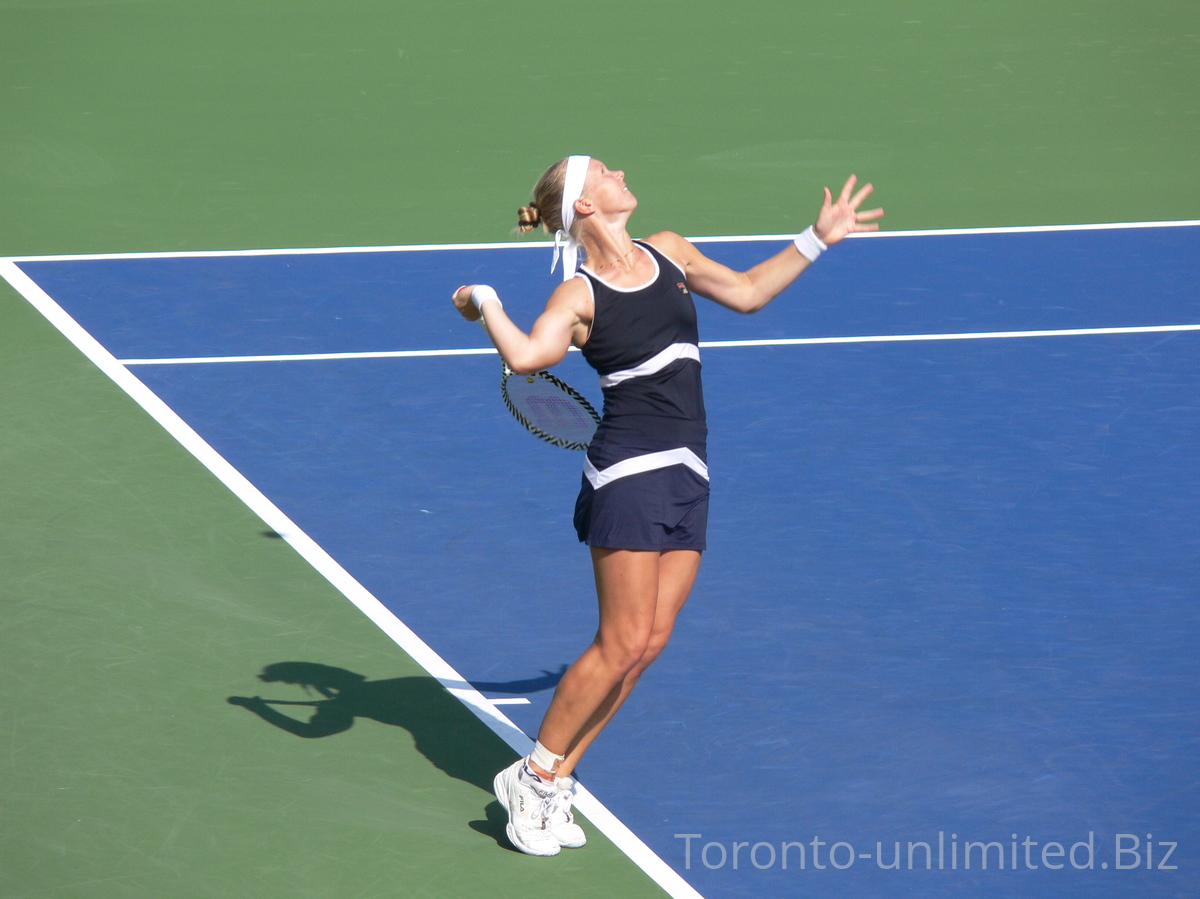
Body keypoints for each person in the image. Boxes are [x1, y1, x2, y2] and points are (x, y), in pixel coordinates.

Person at [452, 156, 881, 856]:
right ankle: (529, 775)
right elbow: (531, 357)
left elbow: (744, 293)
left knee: (647, 643)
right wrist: (489, 302)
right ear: (585, 207)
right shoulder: (578, 297)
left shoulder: (671, 251)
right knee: (620, 639)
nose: (620, 169)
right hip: (629, 473)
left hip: (687, 471)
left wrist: (816, 237)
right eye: (603, 171)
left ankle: (558, 776)